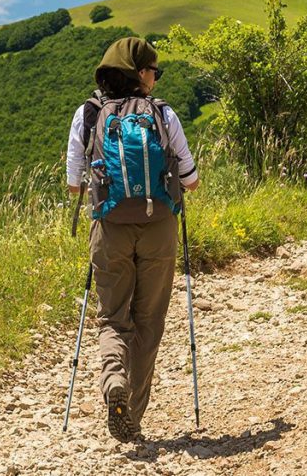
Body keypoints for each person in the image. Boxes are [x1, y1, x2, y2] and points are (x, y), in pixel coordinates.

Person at [66, 36, 199, 442]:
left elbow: (74, 185)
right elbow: (190, 181)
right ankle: (133, 418)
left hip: (110, 230)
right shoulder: (163, 114)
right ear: (139, 73)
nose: (155, 78)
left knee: (113, 319)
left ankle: (113, 383)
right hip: (159, 228)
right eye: (153, 71)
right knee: (149, 322)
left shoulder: (88, 114)